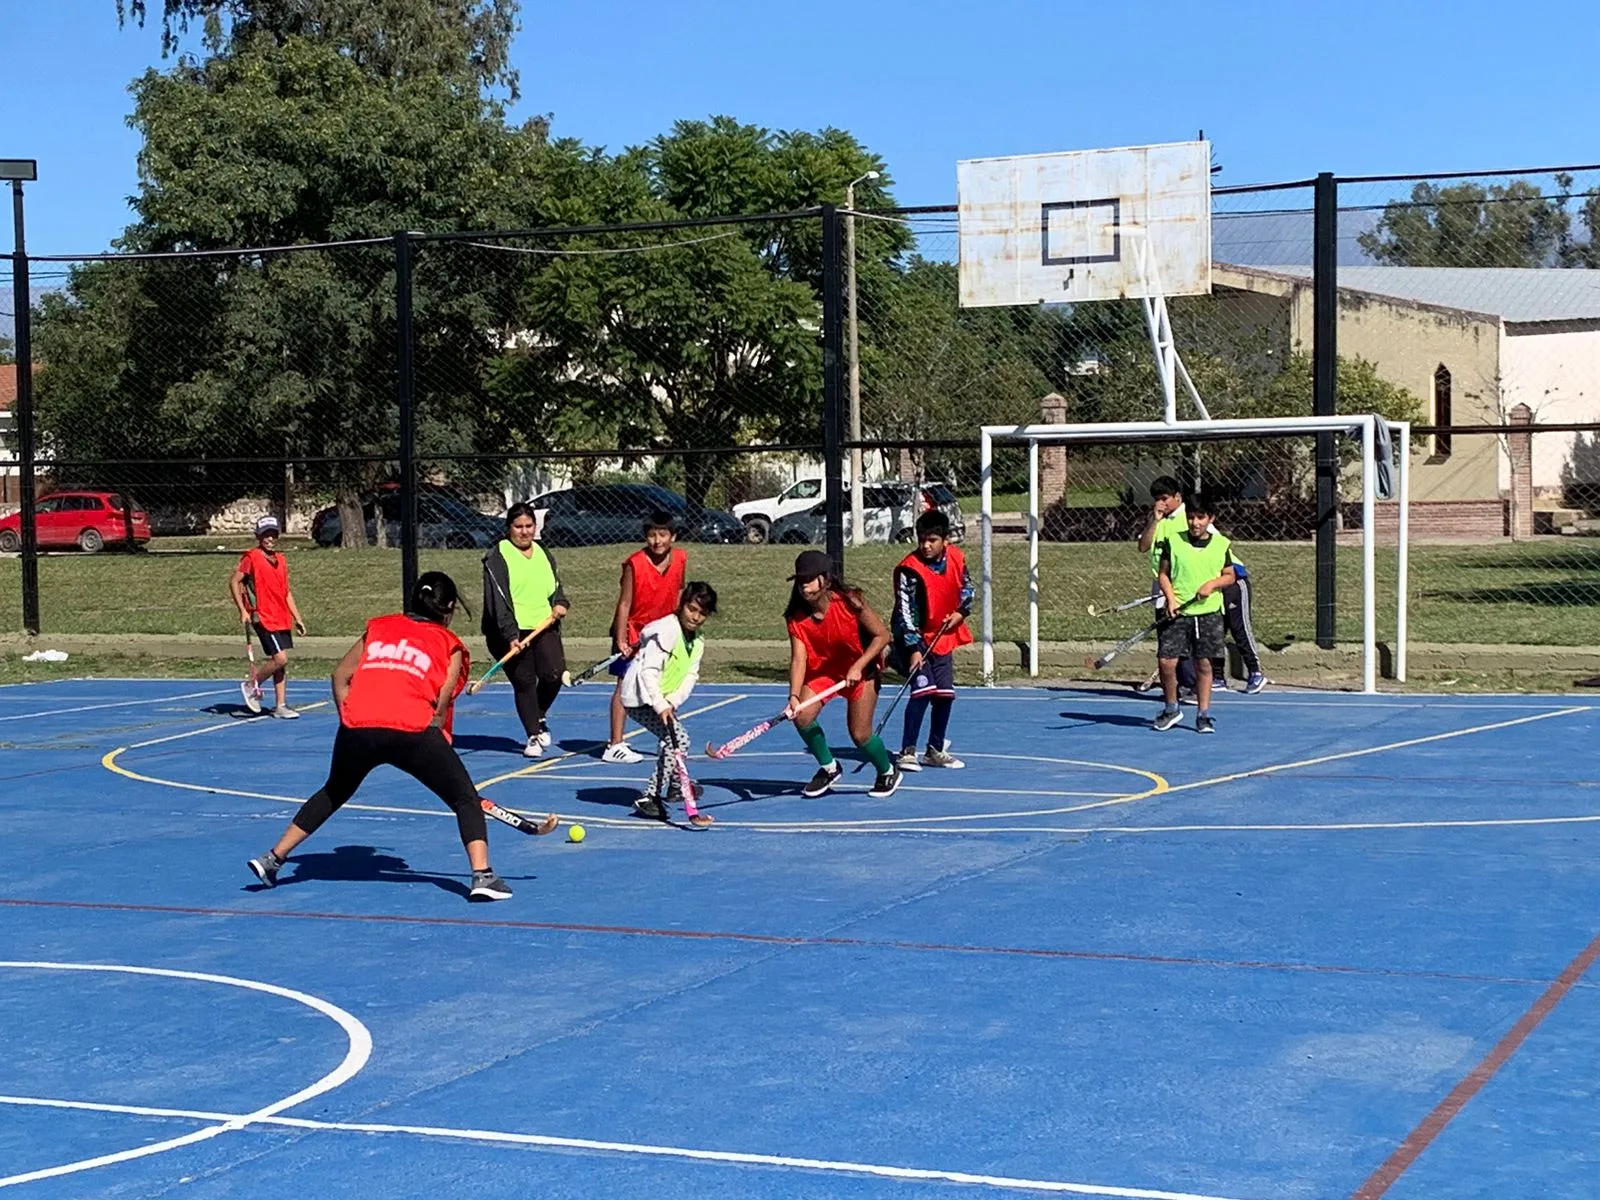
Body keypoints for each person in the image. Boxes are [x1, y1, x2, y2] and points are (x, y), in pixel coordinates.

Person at [245, 571, 558, 902]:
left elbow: (340, 675)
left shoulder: (379, 627)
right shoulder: (449, 644)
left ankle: (272, 859)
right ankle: (482, 876)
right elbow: (441, 702)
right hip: (412, 730)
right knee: (465, 799)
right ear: (448, 609)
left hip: (358, 726)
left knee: (334, 791)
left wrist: (350, 719)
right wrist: (439, 747)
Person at [784, 549, 901, 799]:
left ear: (825, 580)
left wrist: (859, 665)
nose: (804, 586)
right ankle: (829, 767)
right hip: (825, 674)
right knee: (802, 717)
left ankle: (887, 770)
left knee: (860, 734)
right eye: (800, 581)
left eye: (809, 579)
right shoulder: (795, 617)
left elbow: (882, 636)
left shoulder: (850, 602)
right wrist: (794, 695)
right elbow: (798, 659)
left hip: (861, 671)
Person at [622, 581, 718, 828]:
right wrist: (659, 704)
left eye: (702, 614)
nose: (696, 617)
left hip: (661, 700)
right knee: (678, 739)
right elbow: (648, 673)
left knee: (675, 740)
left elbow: (690, 676)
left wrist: (672, 702)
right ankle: (650, 796)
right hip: (640, 698)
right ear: (682, 604)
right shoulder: (666, 631)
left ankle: (676, 787)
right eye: (692, 609)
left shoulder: (697, 641)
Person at [482, 502, 569, 758]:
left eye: (528, 526)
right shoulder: (497, 556)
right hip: (509, 630)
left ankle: (538, 714)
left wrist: (560, 602)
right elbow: (497, 601)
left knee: (554, 673)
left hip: (543, 625)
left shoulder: (543, 552)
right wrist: (510, 635)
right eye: (518, 527)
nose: (524, 532)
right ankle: (532, 735)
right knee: (525, 681)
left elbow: (555, 586)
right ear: (509, 528)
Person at [603, 510, 688, 765]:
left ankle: (665, 737)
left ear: (673, 536)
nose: (657, 541)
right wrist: (621, 639)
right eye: (652, 535)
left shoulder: (681, 558)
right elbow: (624, 604)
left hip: (662, 633)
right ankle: (614, 744)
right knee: (624, 685)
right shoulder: (635, 563)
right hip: (633, 632)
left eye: (663, 535)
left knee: (661, 684)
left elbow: (678, 593)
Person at [891, 510, 972, 771]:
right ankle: (907, 750)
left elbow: (967, 590)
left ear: (945, 540)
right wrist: (913, 648)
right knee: (923, 691)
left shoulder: (957, 559)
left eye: (932, 540)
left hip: (943, 635)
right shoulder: (908, 570)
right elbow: (904, 612)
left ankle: (935, 749)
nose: (926, 545)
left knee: (945, 694)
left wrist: (960, 613)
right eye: (922, 539)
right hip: (914, 635)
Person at [1152, 494, 1237, 734]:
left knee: (1204, 664)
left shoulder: (1221, 545)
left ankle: (1203, 714)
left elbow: (1230, 575)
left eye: (1201, 518)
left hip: (1208, 613)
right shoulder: (1174, 541)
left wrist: (1212, 584)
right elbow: (1163, 574)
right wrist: (1170, 598)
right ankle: (1171, 708)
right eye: (1191, 518)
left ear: (1210, 519)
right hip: (1178, 612)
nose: (1195, 523)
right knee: (1166, 661)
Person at [230, 515, 308, 718]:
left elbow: (286, 592)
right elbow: (234, 582)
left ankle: (280, 705)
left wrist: (297, 618)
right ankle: (251, 685)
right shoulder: (251, 557)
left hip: (281, 616)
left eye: (273, 534)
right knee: (280, 659)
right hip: (263, 616)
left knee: (281, 662)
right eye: (266, 534)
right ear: (259, 536)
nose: (270, 538)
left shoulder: (281, 560)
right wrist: (243, 610)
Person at [1135, 476, 1187, 695]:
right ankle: (1173, 686)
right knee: (1166, 636)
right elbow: (1143, 546)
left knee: (1185, 636)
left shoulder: (1188, 518)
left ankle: (1189, 683)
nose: (1161, 504)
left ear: (1177, 497)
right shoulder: (1159, 520)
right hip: (1161, 586)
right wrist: (1155, 521)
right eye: (1157, 499)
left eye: (1165, 498)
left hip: (1183, 585)